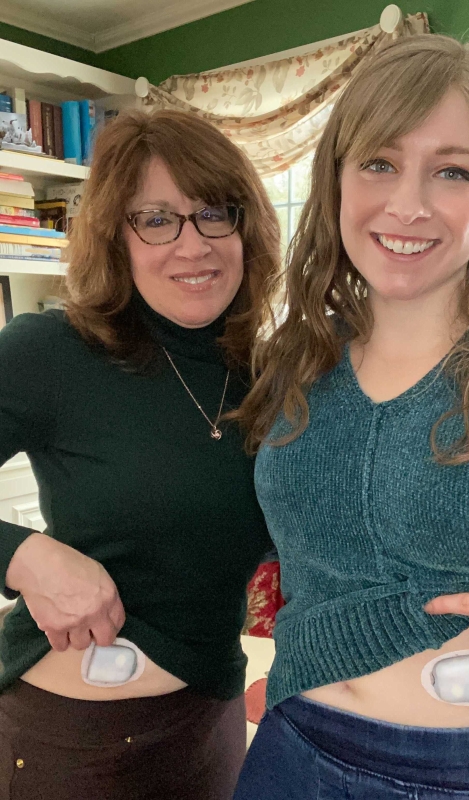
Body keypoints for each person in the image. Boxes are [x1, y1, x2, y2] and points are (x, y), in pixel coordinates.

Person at [232, 34, 469, 800]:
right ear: (337, 179)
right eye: (379, 163)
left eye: (453, 172)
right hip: (290, 752)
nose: (407, 204)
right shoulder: (292, 363)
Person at [0, 108, 279, 800]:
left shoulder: (269, 375)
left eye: (215, 212)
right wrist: (21, 555)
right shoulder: (52, 351)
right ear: (116, 237)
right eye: (156, 219)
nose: (193, 245)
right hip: (71, 743)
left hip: (210, 718)